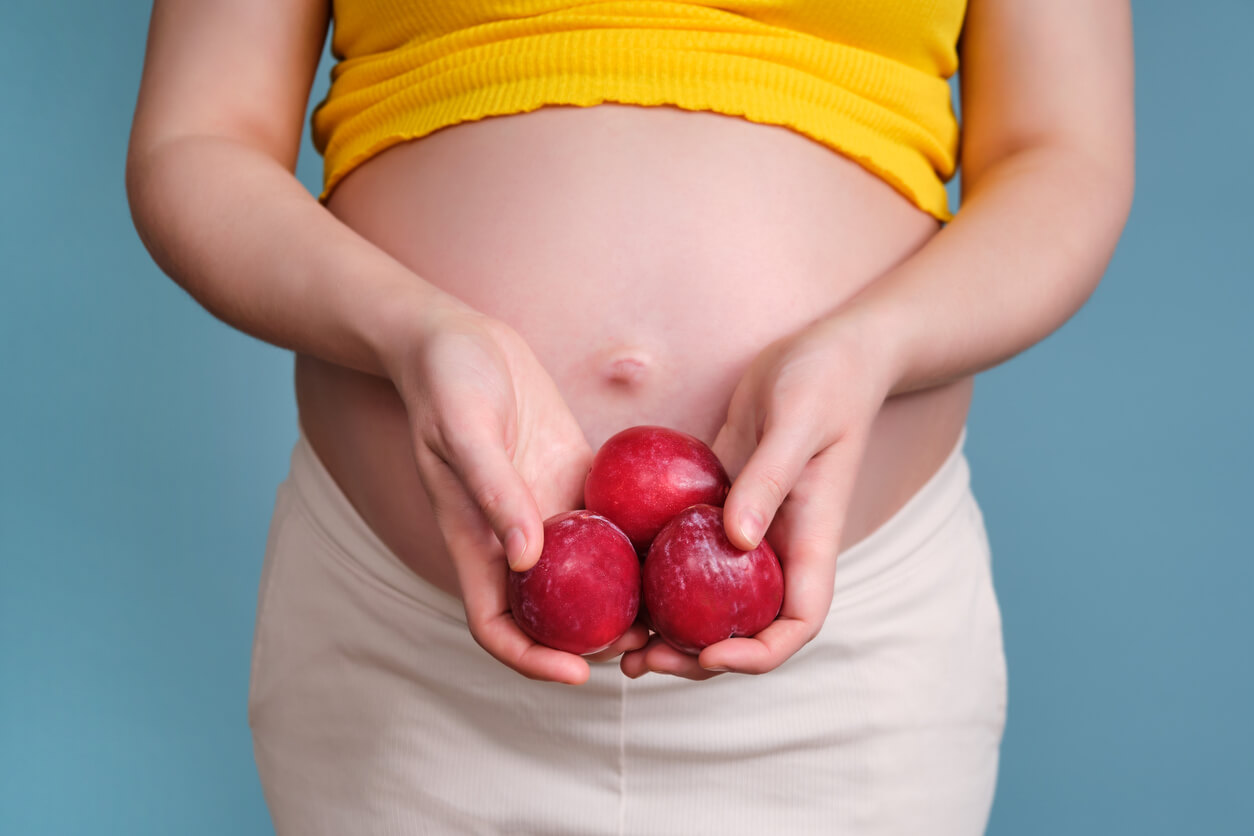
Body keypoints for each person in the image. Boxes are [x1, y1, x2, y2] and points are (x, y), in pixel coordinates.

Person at [125, 0, 1134, 833]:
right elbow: (196, 138)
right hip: (408, 658)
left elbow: (1065, 154)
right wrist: (410, 331)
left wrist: (872, 345)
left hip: (848, 660)